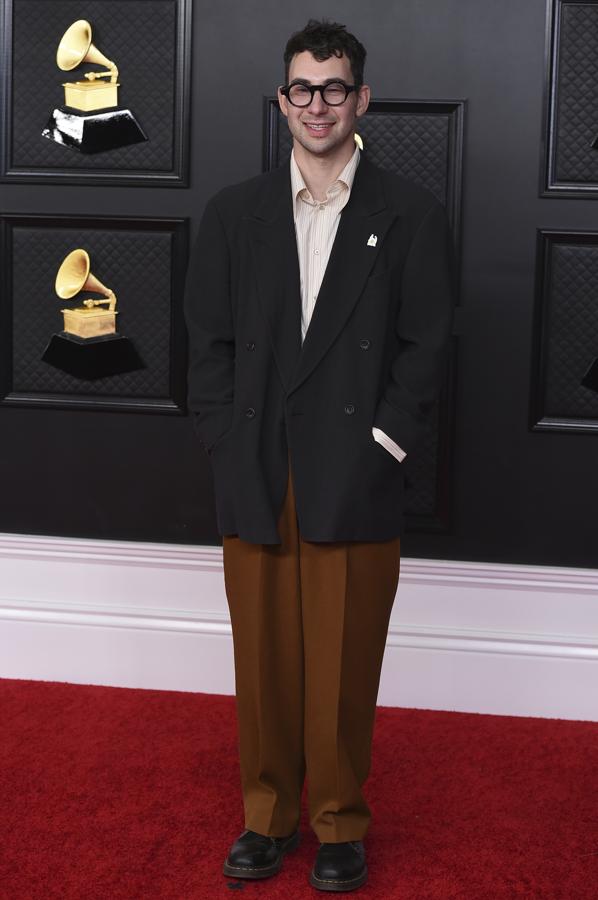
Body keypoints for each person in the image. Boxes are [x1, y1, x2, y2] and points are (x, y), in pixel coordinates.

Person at [184, 18, 455, 893]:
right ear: (282, 99)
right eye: (302, 88)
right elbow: (207, 343)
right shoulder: (235, 214)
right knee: (263, 660)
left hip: (355, 468)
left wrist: (385, 444)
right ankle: (265, 818)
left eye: (334, 88)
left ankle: (339, 822)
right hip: (257, 463)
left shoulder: (410, 215)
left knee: (344, 662)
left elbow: (426, 347)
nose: (318, 104)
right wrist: (225, 439)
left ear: (360, 99)